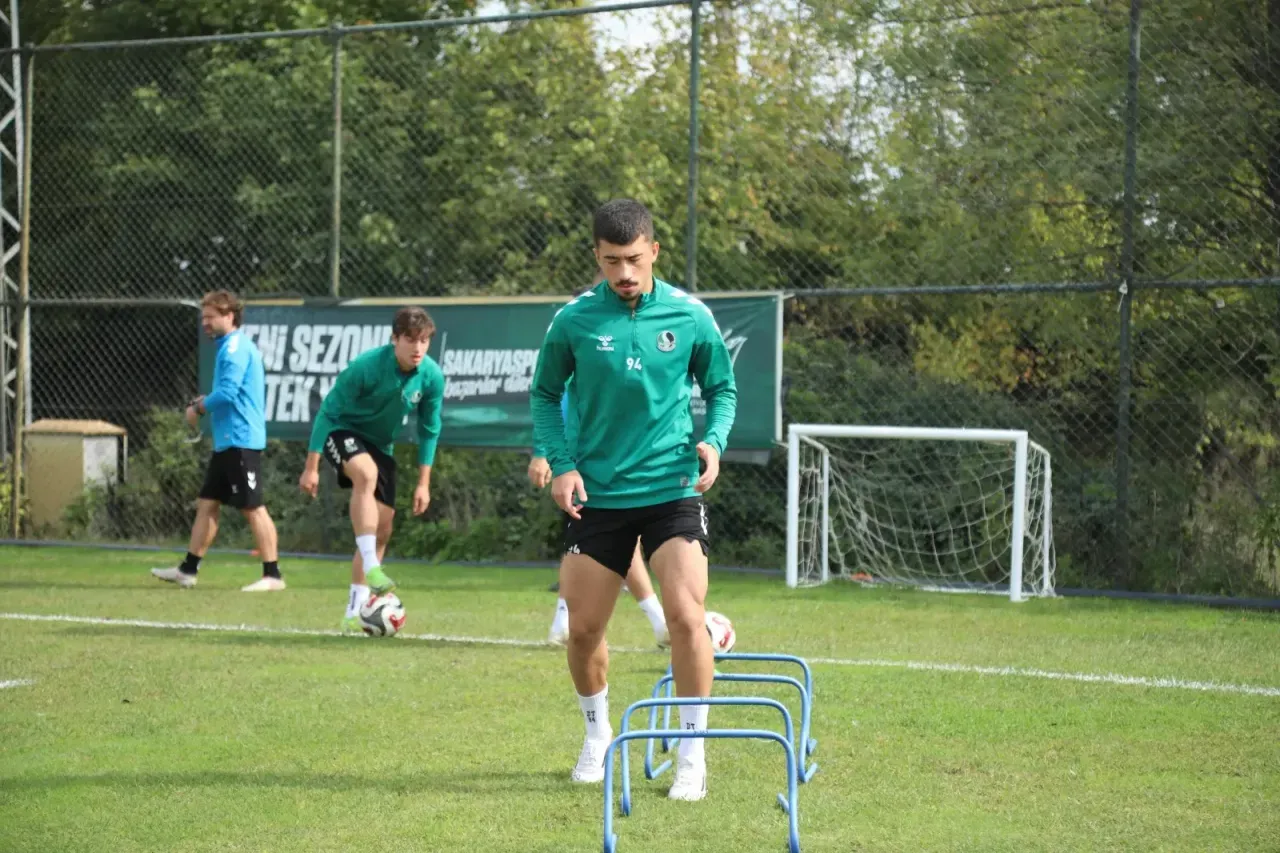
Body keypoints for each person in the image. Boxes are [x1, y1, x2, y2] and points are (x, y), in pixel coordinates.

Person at [530, 199, 737, 801]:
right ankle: (598, 738)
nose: (624, 272)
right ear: (596, 256)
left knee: (685, 616)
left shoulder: (689, 315)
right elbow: (545, 396)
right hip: (598, 494)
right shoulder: (571, 321)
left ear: (654, 253)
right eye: (612, 261)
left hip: (671, 488)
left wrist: (714, 443)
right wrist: (563, 464)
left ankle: (692, 758)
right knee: (585, 630)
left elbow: (721, 388)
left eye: (635, 260)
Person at [298, 306, 444, 633]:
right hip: (343, 431)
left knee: (383, 528)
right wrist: (312, 466)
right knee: (366, 474)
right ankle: (375, 571)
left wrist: (424, 484)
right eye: (410, 340)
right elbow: (327, 413)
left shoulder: (431, 376)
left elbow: (430, 430)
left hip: (381, 446)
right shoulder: (365, 367)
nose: (417, 348)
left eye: (423, 341)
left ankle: (355, 610)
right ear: (394, 339)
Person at [151, 290, 283, 591]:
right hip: (227, 442)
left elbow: (228, 392)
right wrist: (205, 401)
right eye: (203, 317)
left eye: (211, 317)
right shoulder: (228, 346)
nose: (205, 323)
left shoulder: (234, 347)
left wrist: (198, 407)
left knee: (253, 507)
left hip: (241, 441)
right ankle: (188, 570)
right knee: (207, 504)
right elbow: (225, 392)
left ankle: (273, 575)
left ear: (230, 316)